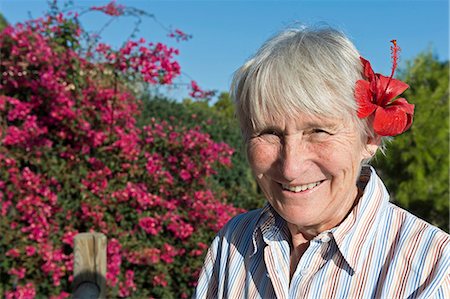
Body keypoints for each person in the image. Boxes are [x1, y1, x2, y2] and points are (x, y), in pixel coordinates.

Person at [193, 26, 450, 299]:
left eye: (318, 131)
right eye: (269, 132)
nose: (291, 168)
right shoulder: (233, 241)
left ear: (370, 138)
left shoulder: (432, 269)